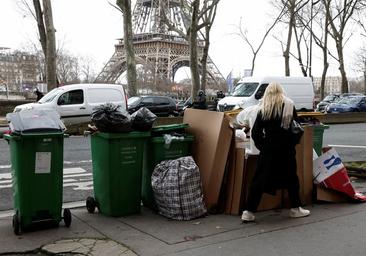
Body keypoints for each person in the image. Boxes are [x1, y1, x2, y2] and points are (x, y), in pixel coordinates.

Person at [241, 82, 310, 222]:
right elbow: (295, 128)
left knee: (259, 180)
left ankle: (248, 211)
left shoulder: (264, 108)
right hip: (286, 149)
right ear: (281, 91)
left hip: (269, 149)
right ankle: (295, 208)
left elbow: (255, 132)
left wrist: (263, 146)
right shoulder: (289, 105)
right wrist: (292, 143)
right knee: (291, 179)